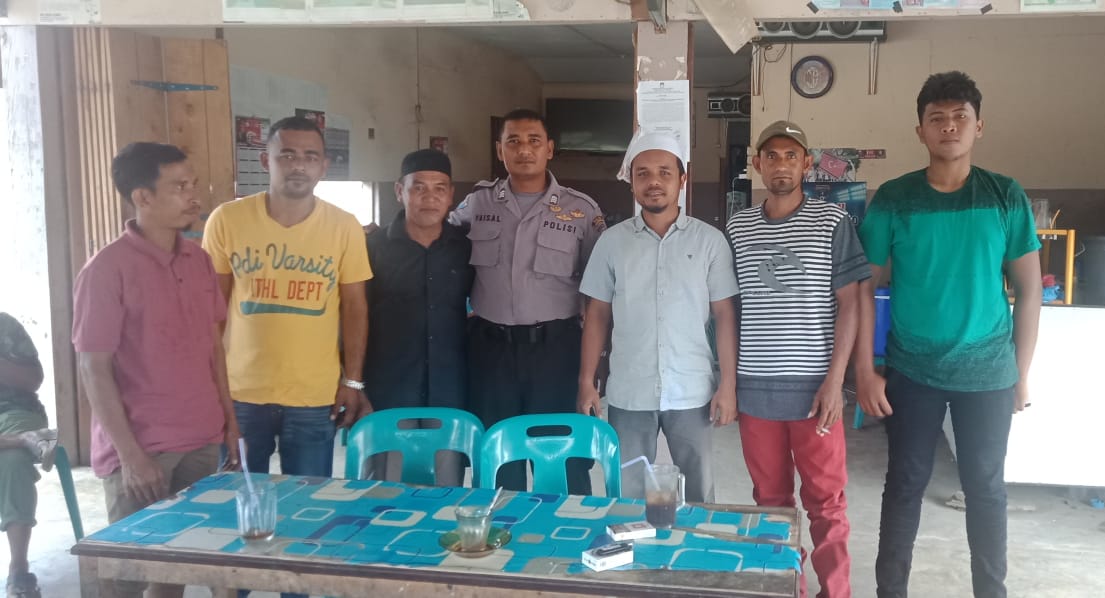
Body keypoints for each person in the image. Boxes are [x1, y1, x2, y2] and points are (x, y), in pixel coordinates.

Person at [855, 71, 1042, 598]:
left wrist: (1021, 374)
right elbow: (864, 289)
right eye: (937, 118)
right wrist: (865, 370)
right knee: (904, 485)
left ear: (979, 126)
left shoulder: (1004, 195)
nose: (949, 126)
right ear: (920, 130)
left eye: (960, 116)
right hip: (912, 370)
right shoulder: (895, 198)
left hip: (988, 372)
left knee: (985, 489)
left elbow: (1029, 290)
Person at [72, 142, 241, 598]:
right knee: (127, 576)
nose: (194, 196)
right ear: (142, 197)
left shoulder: (198, 259)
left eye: (193, 184)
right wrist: (131, 457)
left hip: (201, 439)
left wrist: (228, 423)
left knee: (175, 570)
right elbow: (93, 368)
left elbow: (213, 347)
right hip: (143, 448)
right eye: (180, 187)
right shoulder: (106, 269)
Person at [727, 121, 869, 598]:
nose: (781, 164)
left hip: (815, 392)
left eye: (791, 155)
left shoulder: (832, 222)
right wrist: (728, 382)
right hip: (756, 392)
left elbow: (850, 303)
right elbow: (729, 309)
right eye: (772, 156)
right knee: (770, 504)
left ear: (807, 163)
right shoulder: (738, 228)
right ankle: (786, 588)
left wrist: (836, 381)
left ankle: (837, 592)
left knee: (826, 502)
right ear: (757, 164)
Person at [203, 117, 373, 479]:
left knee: (307, 500)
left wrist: (353, 381)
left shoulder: (344, 226)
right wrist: (211, 383)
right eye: (288, 155)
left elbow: (355, 308)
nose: (299, 165)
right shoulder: (227, 220)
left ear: (324, 166)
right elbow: (212, 311)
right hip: (240, 393)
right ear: (266, 160)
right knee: (240, 499)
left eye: (310, 157)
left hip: (315, 394)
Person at [448, 108, 605, 494]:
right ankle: (502, 528)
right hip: (491, 352)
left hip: (557, 351)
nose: (524, 150)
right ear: (499, 149)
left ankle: (568, 528)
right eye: (513, 141)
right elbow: (439, 239)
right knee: (499, 457)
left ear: (549, 149)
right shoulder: (478, 204)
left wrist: (594, 370)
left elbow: (600, 293)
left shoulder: (581, 211)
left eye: (534, 141)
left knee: (562, 457)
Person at [577, 133, 738, 503]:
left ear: (682, 179)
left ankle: (695, 542)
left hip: (692, 391)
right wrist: (587, 381)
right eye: (643, 173)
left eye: (665, 172)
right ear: (632, 182)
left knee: (699, 493)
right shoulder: (612, 243)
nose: (654, 181)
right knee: (628, 495)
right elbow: (597, 314)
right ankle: (633, 543)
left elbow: (724, 315)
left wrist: (727, 384)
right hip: (630, 391)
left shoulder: (709, 241)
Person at [362, 149, 473, 485]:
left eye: (439, 189)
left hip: (449, 388)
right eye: (419, 188)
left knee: (446, 488)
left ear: (451, 195)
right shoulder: (372, 248)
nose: (430, 197)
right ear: (400, 191)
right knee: (385, 488)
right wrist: (353, 383)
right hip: (389, 389)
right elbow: (354, 317)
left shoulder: (465, 248)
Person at [0, 313, 57, 598]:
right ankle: (22, 440)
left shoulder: (5, 325)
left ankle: (19, 570)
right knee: (14, 450)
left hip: (14, 411)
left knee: (12, 462)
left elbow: (34, 380)